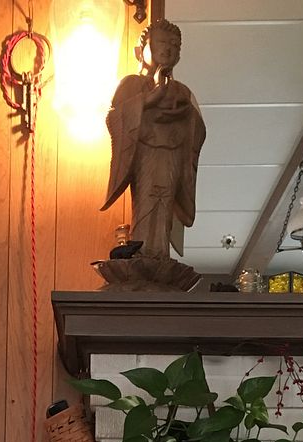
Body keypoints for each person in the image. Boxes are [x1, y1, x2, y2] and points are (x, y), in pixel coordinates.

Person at [101, 19, 205, 261]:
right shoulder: (132, 84)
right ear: (142, 49)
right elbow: (115, 117)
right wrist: (149, 100)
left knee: (165, 203)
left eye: (175, 45)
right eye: (161, 42)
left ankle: (160, 255)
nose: (168, 49)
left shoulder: (182, 91)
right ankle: (144, 253)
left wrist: (185, 114)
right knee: (148, 202)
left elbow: (197, 129)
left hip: (172, 154)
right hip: (146, 154)